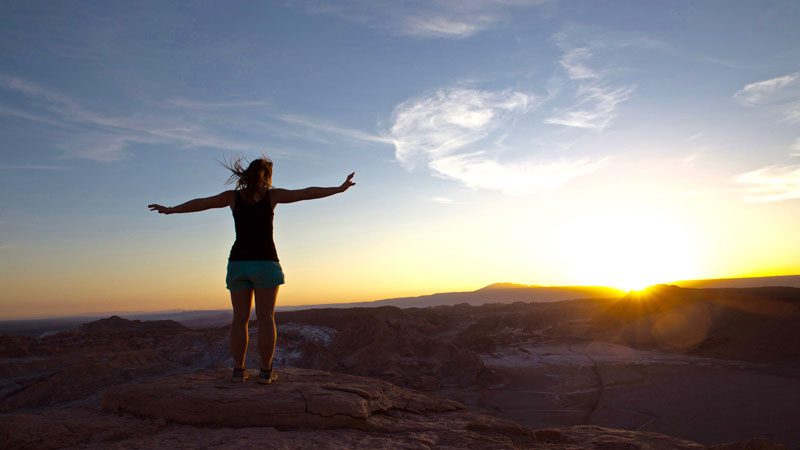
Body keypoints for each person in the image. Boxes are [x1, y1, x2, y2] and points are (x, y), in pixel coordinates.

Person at [148, 157, 355, 384]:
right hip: (265, 263)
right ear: (266, 175)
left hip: (238, 264)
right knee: (266, 318)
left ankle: (239, 370)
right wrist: (339, 189)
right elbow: (306, 192)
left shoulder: (232, 198)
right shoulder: (272, 196)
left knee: (240, 319)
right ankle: (266, 372)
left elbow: (201, 203)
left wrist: (171, 210)